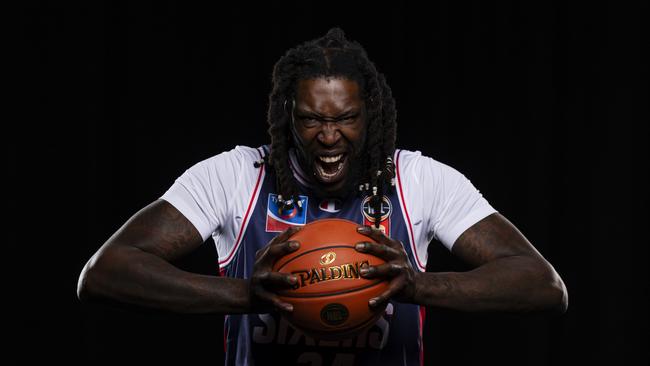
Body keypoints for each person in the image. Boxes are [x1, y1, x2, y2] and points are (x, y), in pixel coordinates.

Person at [78, 28, 568, 365]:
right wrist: (244, 294)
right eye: (312, 119)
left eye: (344, 118)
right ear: (287, 115)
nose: (329, 137)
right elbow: (104, 274)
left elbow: (543, 287)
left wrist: (420, 286)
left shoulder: (419, 180)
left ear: (369, 115)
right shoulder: (234, 175)